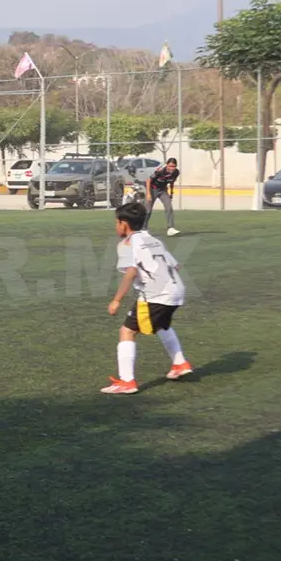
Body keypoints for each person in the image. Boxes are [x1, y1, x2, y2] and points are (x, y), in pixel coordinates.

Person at [103, 202, 193, 395]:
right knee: (161, 325)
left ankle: (127, 381)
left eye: (117, 222)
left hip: (155, 294)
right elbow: (175, 266)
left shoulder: (127, 244)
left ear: (124, 224)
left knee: (127, 331)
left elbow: (131, 272)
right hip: (176, 289)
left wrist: (116, 300)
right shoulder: (153, 239)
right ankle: (179, 363)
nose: (116, 226)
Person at [144, 157, 180, 236]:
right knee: (148, 210)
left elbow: (172, 182)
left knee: (169, 207)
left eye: (174, 166)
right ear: (167, 165)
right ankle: (143, 228)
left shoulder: (176, 172)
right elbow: (148, 180)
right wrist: (148, 194)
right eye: (170, 166)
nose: (172, 168)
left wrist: (171, 193)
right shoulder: (160, 171)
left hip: (163, 190)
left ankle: (170, 228)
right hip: (152, 189)